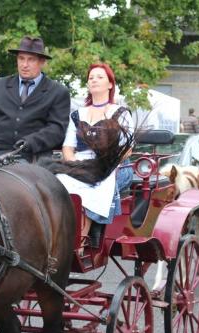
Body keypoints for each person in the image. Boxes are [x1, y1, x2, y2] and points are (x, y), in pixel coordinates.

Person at [57, 63, 134, 244]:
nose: (94, 80)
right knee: (60, 181)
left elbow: (127, 149)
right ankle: (61, 233)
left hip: (114, 165)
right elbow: (68, 147)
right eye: (91, 77)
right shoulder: (78, 114)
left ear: (110, 84)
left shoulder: (120, 113)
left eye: (99, 77)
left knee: (98, 183)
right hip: (81, 162)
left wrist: (105, 164)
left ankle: (82, 239)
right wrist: (74, 164)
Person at [0, 36, 70, 160]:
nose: (24, 65)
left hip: (35, 157)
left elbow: (57, 130)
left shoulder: (58, 92)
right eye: (21, 58)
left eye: (31, 60)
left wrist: (31, 142)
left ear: (42, 62)